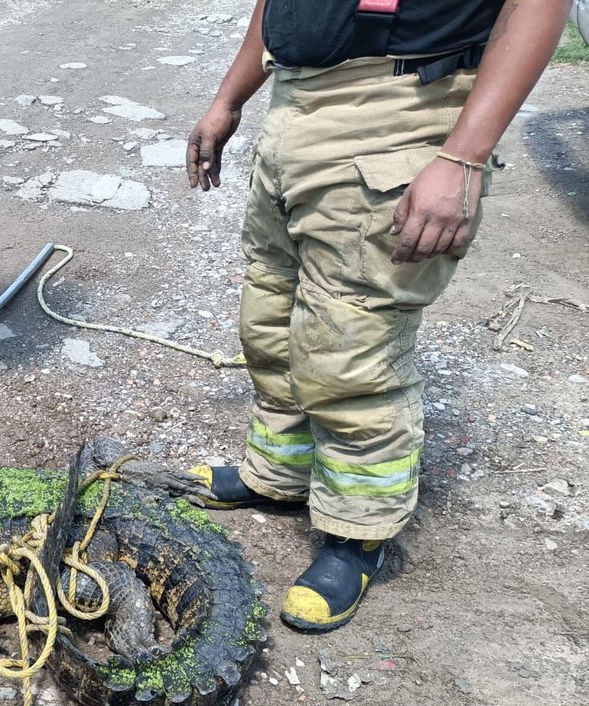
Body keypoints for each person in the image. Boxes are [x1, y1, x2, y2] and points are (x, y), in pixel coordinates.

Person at [184, 0, 571, 631]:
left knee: (350, 348)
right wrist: (229, 98)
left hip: (399, 107)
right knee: (272, 318)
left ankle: (358, 529)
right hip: (294, 102)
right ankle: (280, 473)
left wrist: (463, 157)